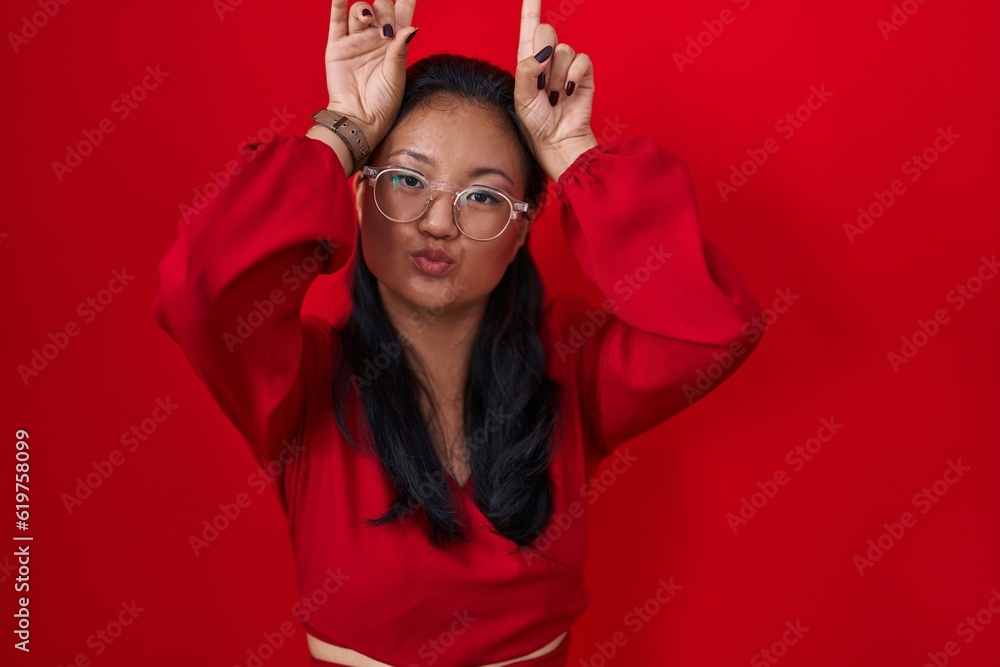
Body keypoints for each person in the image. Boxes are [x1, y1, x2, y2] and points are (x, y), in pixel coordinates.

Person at [152, 0, 765, 664]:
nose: (439, 222)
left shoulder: (571, 368)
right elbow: (203, 288)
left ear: (523, 227)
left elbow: (713, 329)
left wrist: (571, 154)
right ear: (359, 195)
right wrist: (346, 128)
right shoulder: (303, 383)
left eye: (483, 196)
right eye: (408, 180)